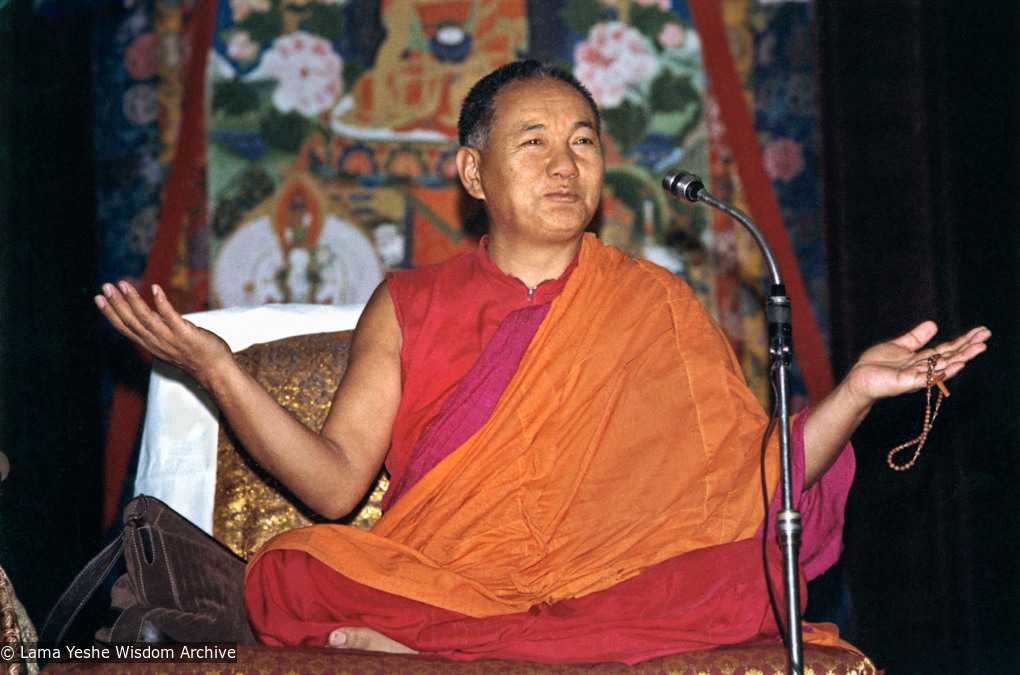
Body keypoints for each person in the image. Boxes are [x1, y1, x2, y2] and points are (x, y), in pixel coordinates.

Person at [95, 60, 990, 664]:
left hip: (607, 581)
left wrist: (858, 396)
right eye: (534, 142)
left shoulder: (653, 304)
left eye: (585, 141)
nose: (566, 163)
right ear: (474, 172)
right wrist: (217, 368)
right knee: (293, 566)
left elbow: (747, 482)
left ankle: (463, 647)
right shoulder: (412, 300)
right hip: (443, 575)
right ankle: (484, 638)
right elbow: (334, 487)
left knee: (744, 570)